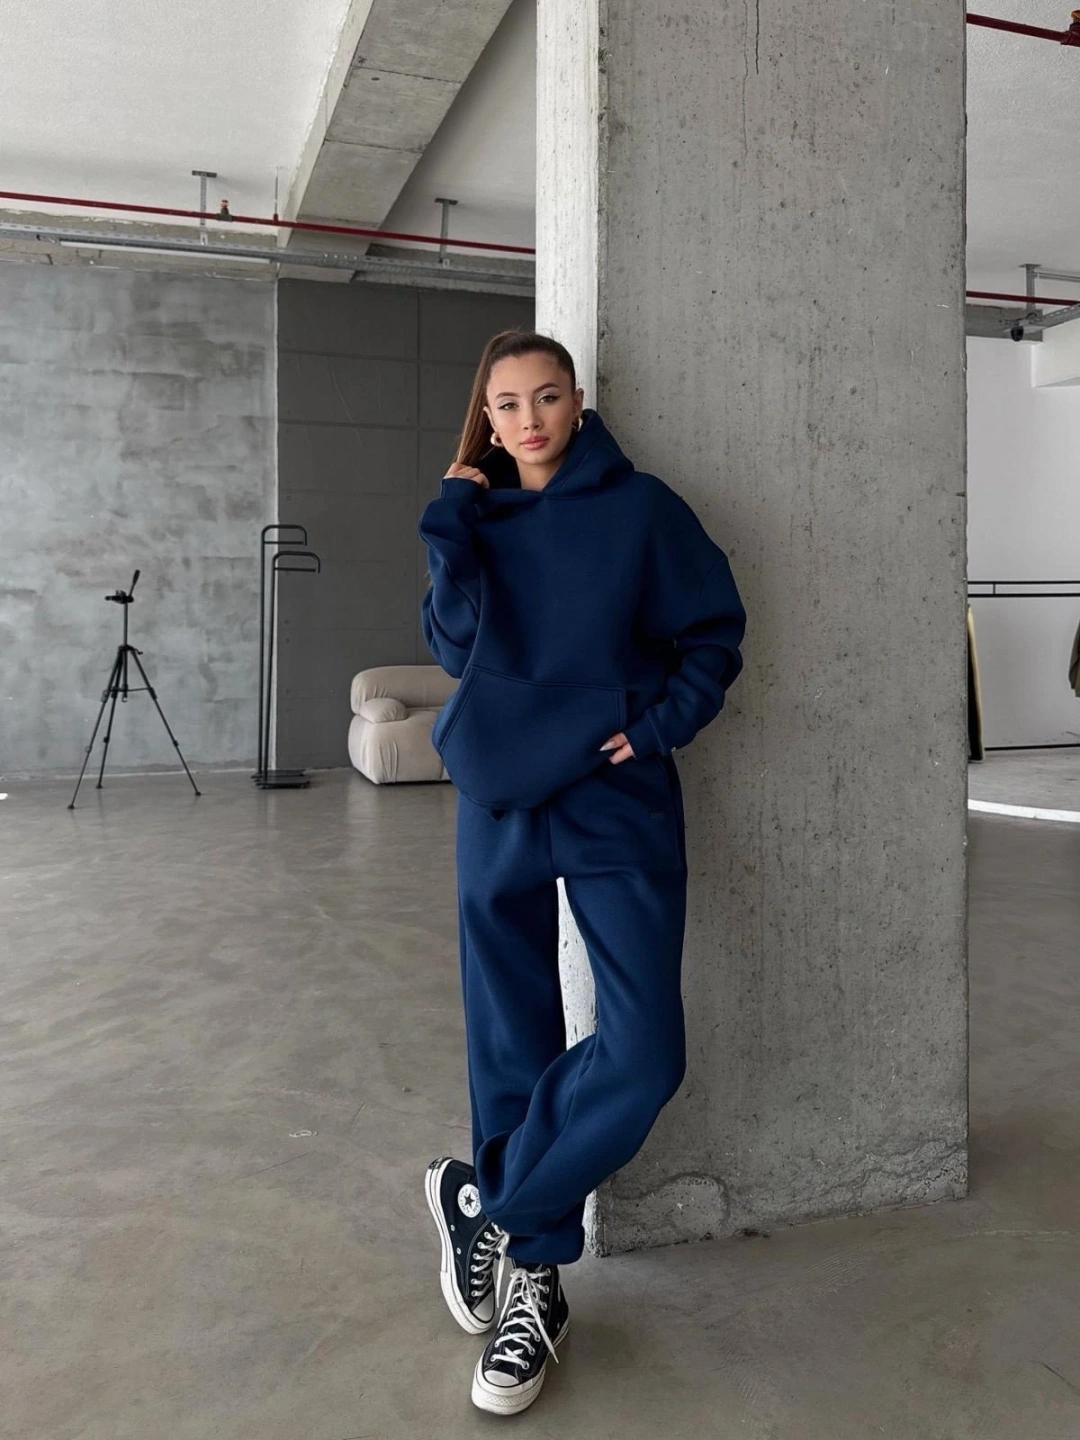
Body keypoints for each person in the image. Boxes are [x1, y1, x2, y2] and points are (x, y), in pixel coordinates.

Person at [417, 329, 746, 1416]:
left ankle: (493, 1206)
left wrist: (653, 731)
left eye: (547, 397)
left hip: (615, 799)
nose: (529, 421)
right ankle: (537, 1282)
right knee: (510, 1036)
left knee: (645, 1054)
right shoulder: (479, 517)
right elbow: (456, 649)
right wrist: (452, 530)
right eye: (507, 404)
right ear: (488, 415)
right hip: (501, 800)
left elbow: (714, 636)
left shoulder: (642, 510)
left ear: (577, 398)